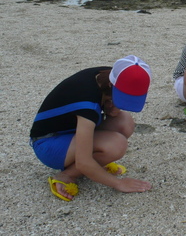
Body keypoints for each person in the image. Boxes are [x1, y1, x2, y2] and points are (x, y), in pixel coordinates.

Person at [30, 55, 153, 202]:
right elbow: (84, 161)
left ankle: (90, 165)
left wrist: (113, 106)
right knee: (116, 145)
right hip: (48, 143)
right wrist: (119, 184)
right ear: (111, 86)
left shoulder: (108, 75)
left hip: (70, 131)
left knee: (124, 121)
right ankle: (67, 175)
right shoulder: (87, 103)